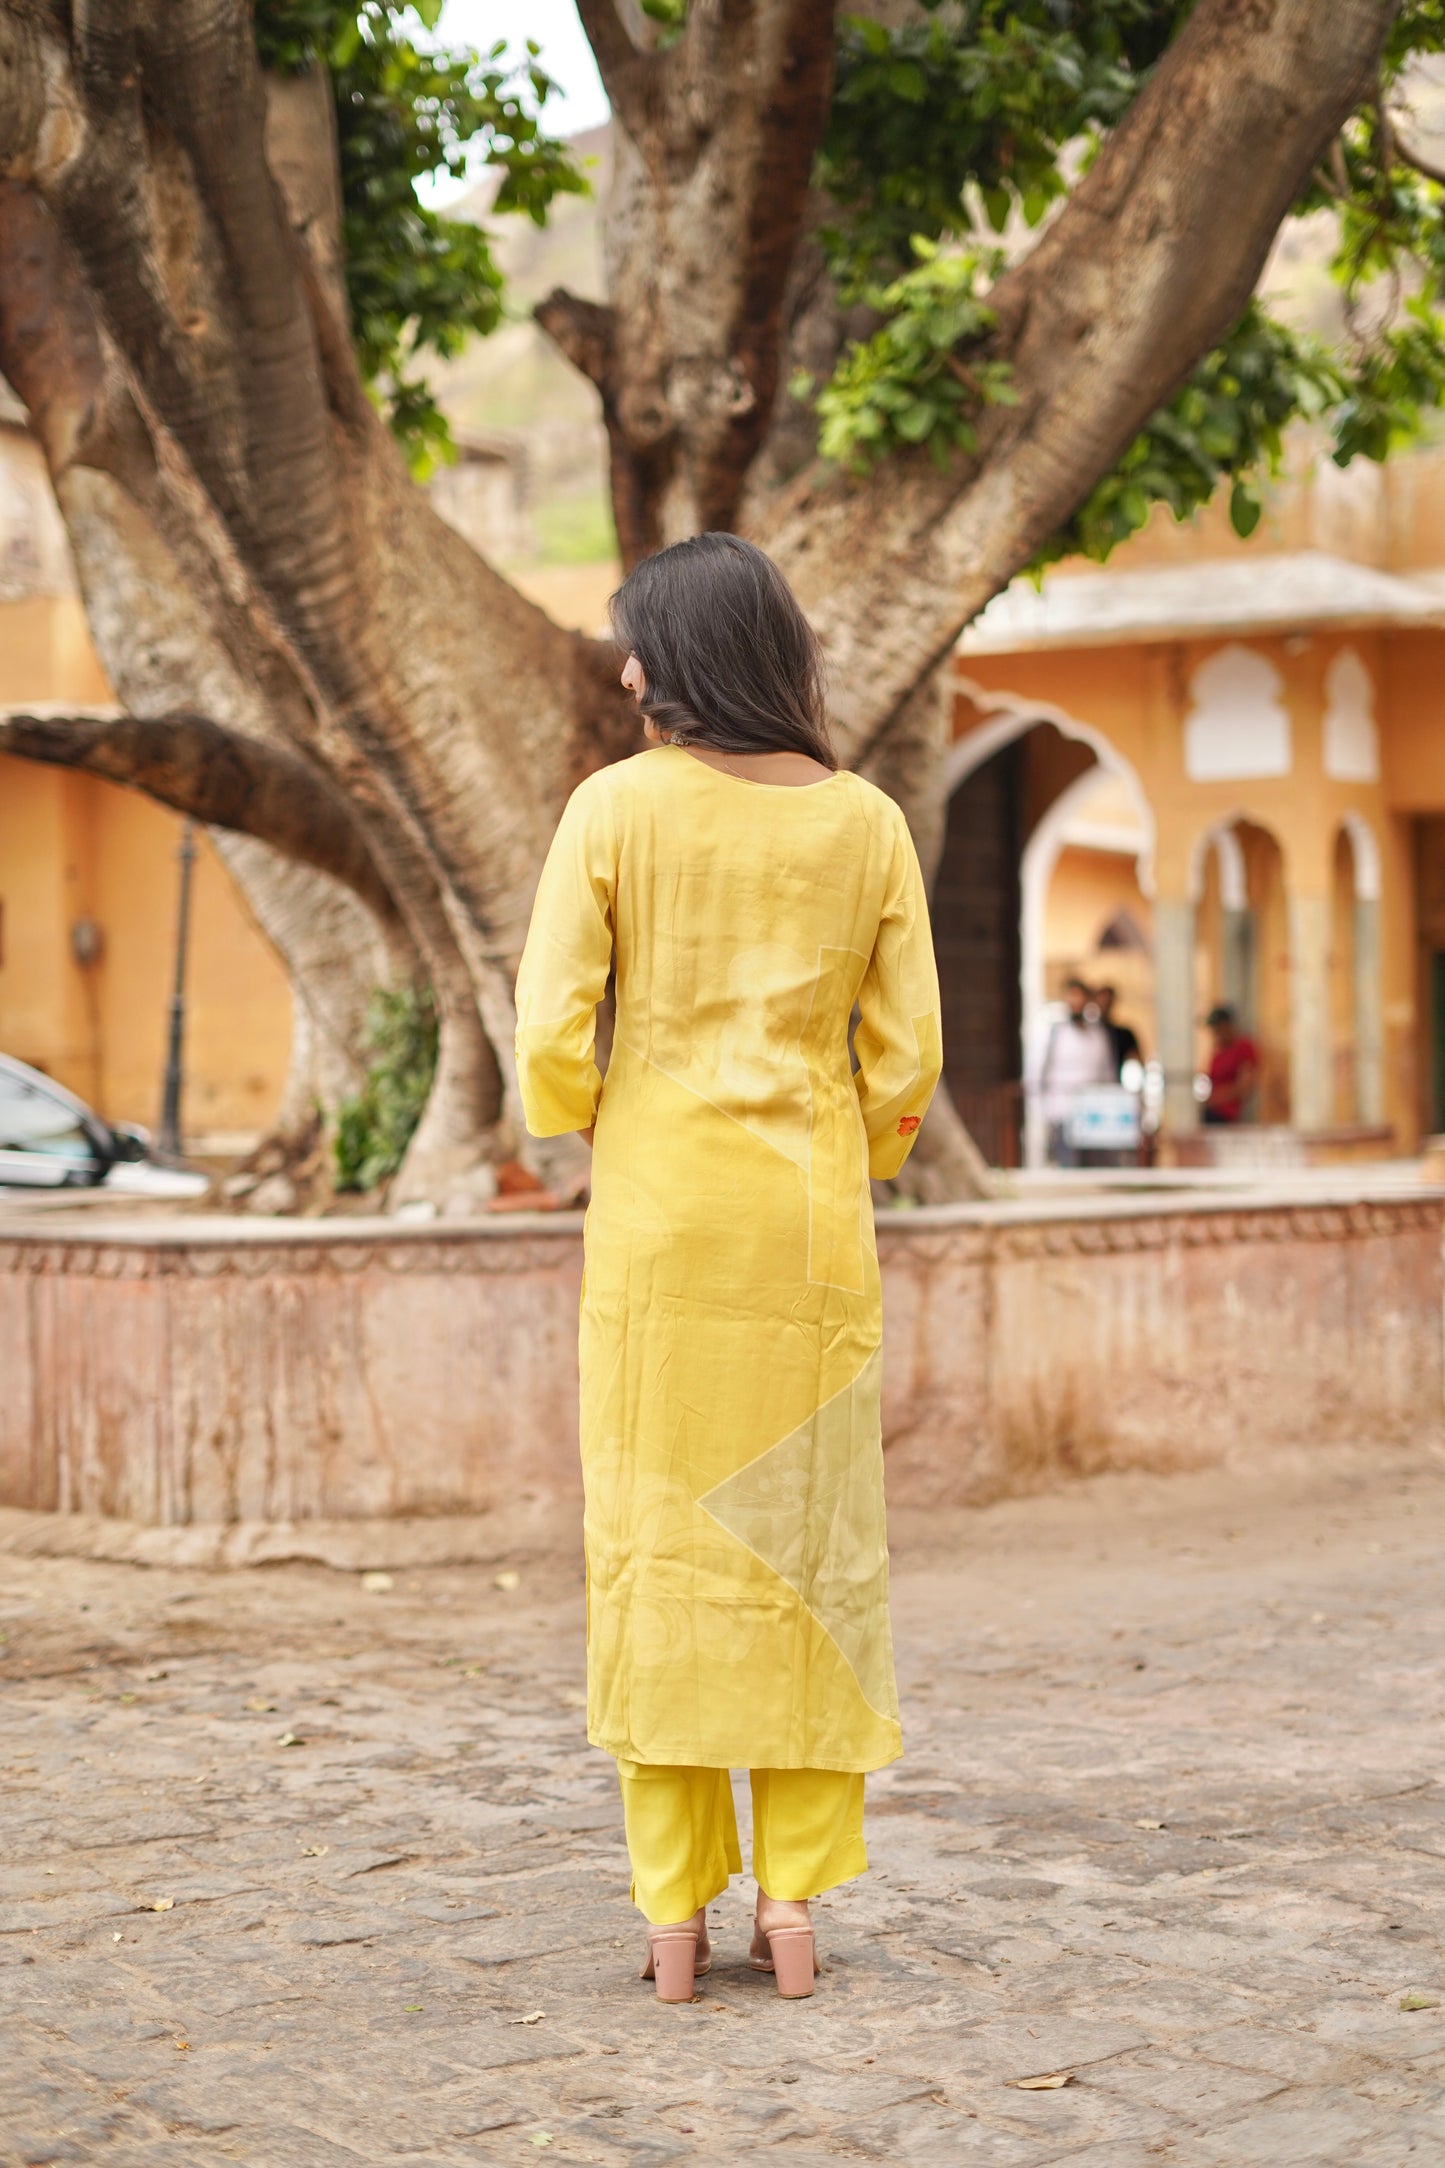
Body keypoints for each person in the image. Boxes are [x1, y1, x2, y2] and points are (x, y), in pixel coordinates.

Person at [513, 532, 942, 2004]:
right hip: (809, 1226)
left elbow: (552, 1035)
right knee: (806, 1551)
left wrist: (581, 1121)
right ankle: (801, 1912)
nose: (627, 671)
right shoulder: (868, 824)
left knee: (661, 1551)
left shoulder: (612, 813)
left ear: (687, 656)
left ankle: (673, 1919)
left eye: (638, 644)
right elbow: (910, 1056)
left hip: (658, 1219)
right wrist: (859, 1141)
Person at [1038, 977, 1115, 1165]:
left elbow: (1107, 1071)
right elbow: (1039, 1072)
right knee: (1068, 1162)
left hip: (1094, 1113)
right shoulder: (1054, 1033)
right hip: (1063, 1110)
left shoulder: (1097, 1034)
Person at [1203, 1003, 1258, 1124]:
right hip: (1211, 1112)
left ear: (1227, 1026)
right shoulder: (1217, 1052)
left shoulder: (1243, 1048)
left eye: (1217, 1029)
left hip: (1226, 1116)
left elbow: (1244, 1088)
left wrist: (1214, 1098)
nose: (1215, 1034)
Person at [1095, 984, 1142, 1080]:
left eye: (1107, 1002)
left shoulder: (1124, 1034)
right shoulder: (1091, 1033)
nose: (1105, 1006)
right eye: (1102, 1002)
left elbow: (1135, 1061)